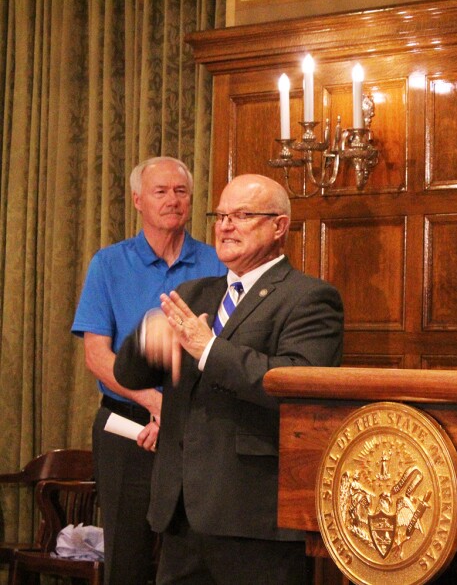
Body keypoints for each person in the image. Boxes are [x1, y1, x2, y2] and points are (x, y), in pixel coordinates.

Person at [113, 174, 344, 584]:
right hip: (180, 514)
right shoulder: (196, 292)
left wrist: (209, 350)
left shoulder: (308, 297)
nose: (225, 226)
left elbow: (297, 386)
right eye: (220, 216)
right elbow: (128, 374)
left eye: (242, 215)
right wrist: (146, 336)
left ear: (279, 226)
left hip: (253, 520)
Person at [72, 157, 226, 585]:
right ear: (138, 200)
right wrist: (155, 402)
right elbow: (97, 357)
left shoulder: (218, 263)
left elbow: (226, 351)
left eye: (180, 192)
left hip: (196, 427)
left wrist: (174, 412)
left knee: (193, 556)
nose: (173, 201)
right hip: (126, 425)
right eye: (161, 192)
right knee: (127, 553)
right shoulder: (108, 264)